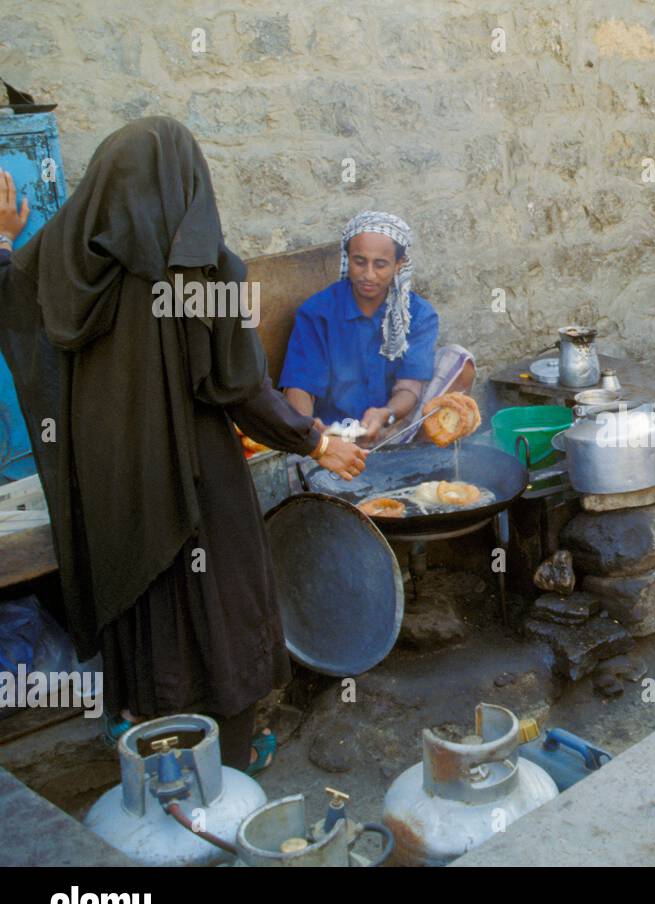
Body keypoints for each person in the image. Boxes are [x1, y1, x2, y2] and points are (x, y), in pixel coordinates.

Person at [0, 120, 367, 773]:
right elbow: (241, 389)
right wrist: (315, 441)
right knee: (222, 603)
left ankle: (155, 748)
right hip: (196, 475)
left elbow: (16, 293)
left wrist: (5, 235)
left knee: (143, 603)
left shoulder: (67, 264)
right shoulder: (198, 268)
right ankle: (226, 761)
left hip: (110, 477)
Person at [280, 211, 476, 447]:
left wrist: (386, 414)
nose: (368, 275)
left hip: (392, 426)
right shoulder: (317, 312)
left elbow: (410, 388)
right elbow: (300, 386)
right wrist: (309, 429)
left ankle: (412, 456)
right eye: (359, 261)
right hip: (334, 435)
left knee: (458, 359)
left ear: (398, 264)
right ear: (348, 258)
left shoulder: (418, 314)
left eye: (380, 264)